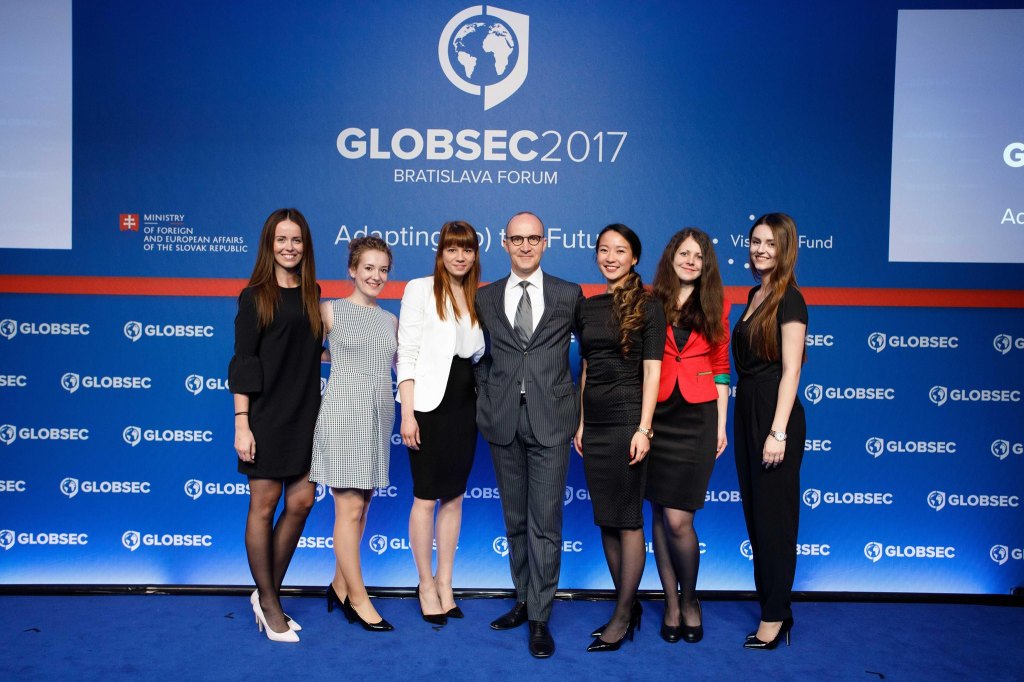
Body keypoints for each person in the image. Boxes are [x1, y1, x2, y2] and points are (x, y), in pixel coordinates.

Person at [474, 211, 584, 658]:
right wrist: (486, 396)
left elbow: (592, 354)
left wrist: (581, 408)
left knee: (545, 522)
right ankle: (523, 598)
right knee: (516, 520)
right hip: (503, 420)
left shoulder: (568, 294)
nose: (524, 246)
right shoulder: (484, 297)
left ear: (545, 242)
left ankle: (540, 616)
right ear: (504, 243)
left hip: (552, 419)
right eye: (516, 239)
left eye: (532, 238)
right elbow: (477, 354)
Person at [229, 208, 323, 643]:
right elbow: (244, 363)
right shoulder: (255, 297)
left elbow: (310, 350)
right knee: (264, 506)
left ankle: (266, 591)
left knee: (301, 502)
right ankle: (269, 602)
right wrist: (242, 424)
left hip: (305, 413)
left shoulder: (312, 293)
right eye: (281, 239)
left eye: (296, 240)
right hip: (265, 416)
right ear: (270, 245)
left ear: (306, 246)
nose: (289, 247)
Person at [573, 224, 665, 652]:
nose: (611, 257)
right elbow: (586, 368)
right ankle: (627, 605)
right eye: (604, 250)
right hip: (595, 422)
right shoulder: (587, 307)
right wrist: (581, 422)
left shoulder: (650, 305)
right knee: (606, 518)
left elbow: (653, 371)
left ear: (635, 258)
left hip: (629, 418)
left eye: (620, 250)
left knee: (628, 518)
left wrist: (645, 428)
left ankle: (623, 615)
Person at [397, 221, 485, 626]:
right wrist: (408, 412)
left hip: (465, 405)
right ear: (440, 253)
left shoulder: (477, 295)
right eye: (452, 249)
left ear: (475, 255)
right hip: (428, 406)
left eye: (466, 249)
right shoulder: (419, 289)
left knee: (454, 497)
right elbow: (407, 352)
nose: (459, 256)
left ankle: (445, 582)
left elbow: (477, 355)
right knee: (425, 497)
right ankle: (424, 584)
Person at [646, 228, 731, 644]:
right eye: (684, 253)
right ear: (671, 257)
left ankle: (691, 599)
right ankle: (671, 603)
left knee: (679, 519)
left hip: (697, 417)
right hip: (656, 413)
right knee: (660, 515)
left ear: (705, 263)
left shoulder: (717, 304)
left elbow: (721, 368)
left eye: (698, 256)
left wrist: (721, 424)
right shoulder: (650, 300)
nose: (690, 261)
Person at [310, 236, 397, 633]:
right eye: (369, 268)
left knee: (363, 507)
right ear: (352, 270)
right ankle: (359, 601)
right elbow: (304, 353)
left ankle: (339, 585)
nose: (376, 276)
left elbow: (393, 363)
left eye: (383, 270)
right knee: (348, 509)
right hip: (344, 414)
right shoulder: (330, 311)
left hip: (379, 415)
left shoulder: (390, 320)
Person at [732, 213, 807, 650]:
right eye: (756, 241)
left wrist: (777, 432)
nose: (760, 250)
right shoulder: (754, 294)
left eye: (770, 243)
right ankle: (773, 605)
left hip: (774, 414)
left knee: (775, 521)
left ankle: (776, 615)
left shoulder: (790, 299)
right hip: (747, 410)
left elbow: (791, 369)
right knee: (758, 519)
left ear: (785, 249)